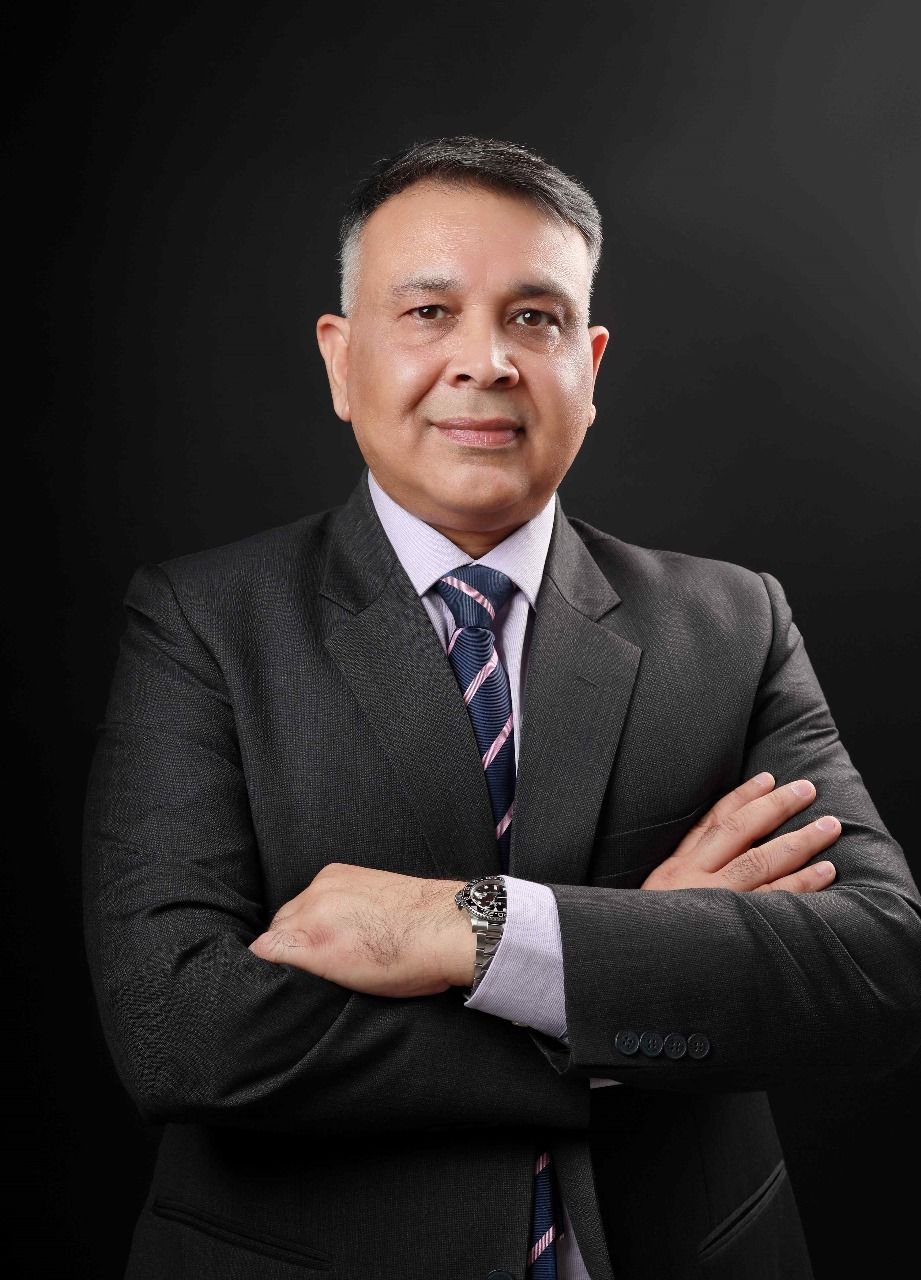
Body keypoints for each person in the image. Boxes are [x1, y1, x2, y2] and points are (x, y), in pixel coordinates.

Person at [82, 135, 921, 1280]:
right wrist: (623, 982)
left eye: (535, 317)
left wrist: (467, 926)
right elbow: (179, 1030)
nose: (485, 361)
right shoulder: (201, 623)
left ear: (591, 361)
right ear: (340, 358)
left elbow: (878, 969)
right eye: (429, 311)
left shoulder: (735, 622)